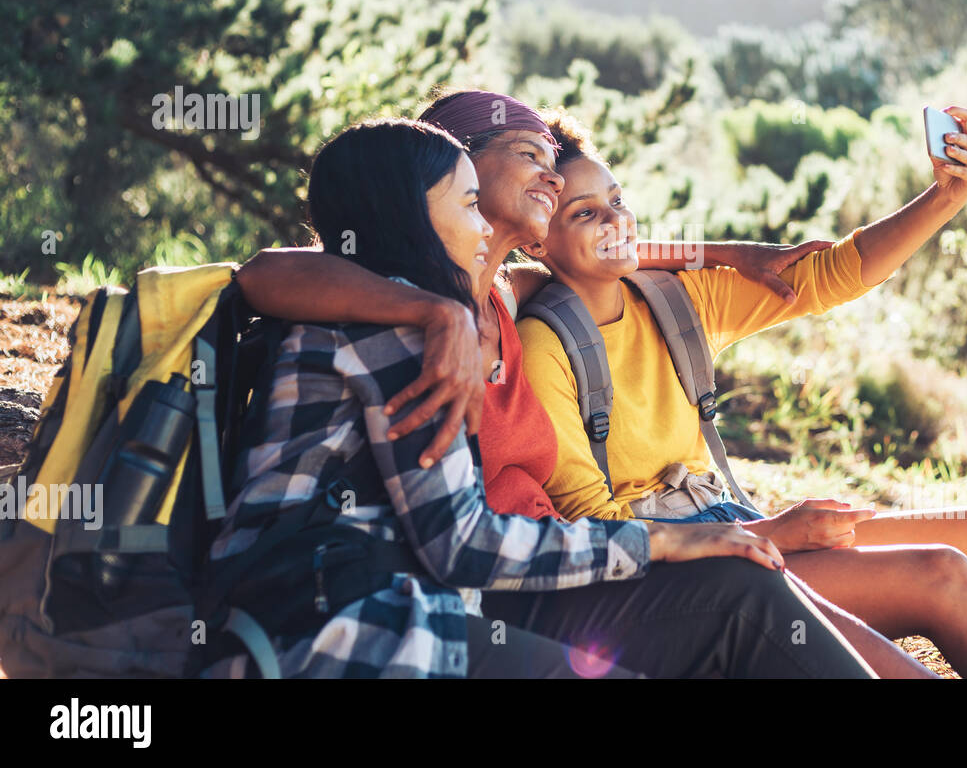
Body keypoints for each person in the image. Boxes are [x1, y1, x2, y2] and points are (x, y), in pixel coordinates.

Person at [235, 91, 931, 677]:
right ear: (434, 189)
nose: (549, 180)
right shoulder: (398, 320)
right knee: (744, 600)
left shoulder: (500, 293)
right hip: (368, 615)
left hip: (471, 587)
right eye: (480, 193)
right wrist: (665, 541)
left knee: (752, 594)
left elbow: (592, 244)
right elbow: (261, 271)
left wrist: (722, 251)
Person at [514, 107, 967, 679]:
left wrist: (947, 197)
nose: (617, 221)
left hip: (735, 526)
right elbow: (595, 529)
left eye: (619, 200)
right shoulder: (547, 347)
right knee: (941, 575)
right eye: (585, 212)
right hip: (686, 575)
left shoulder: (676, 298)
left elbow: (829, 276)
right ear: (539, 237)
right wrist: (770, 530)